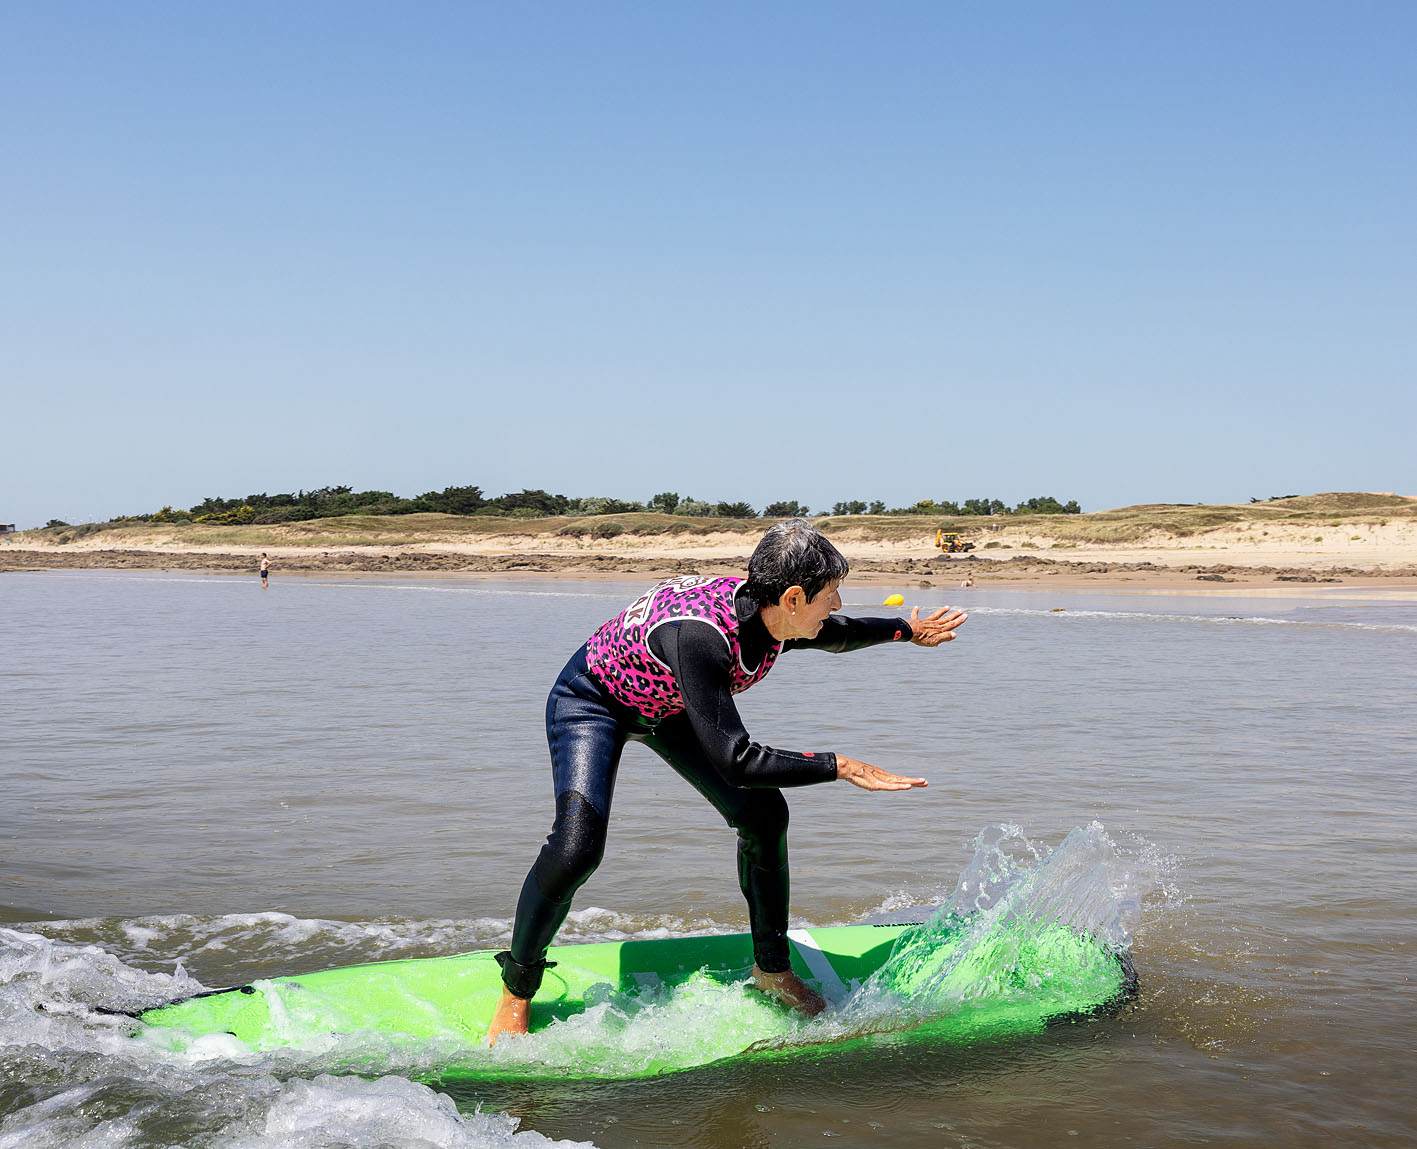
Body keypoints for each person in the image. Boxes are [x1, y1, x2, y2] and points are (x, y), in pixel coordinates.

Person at [487, 519, 968, 1043]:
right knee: (577, 847)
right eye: (830, 594)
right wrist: (840, 766)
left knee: (764, 815)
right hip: (592, 703)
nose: (836, 603)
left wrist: (906, 631)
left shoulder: (773, 617)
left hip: (668, 706)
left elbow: (840, 633)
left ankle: (772, 970)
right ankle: (517, 988)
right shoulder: (702, 638)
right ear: (792, 598)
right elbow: (738, 760)